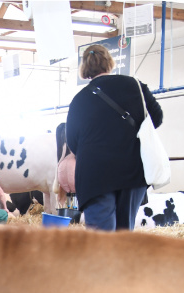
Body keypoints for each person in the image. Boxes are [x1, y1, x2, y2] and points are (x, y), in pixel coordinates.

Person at [65, 44, 163, 232]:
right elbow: (156, 119)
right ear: (109, 62)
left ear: (85, 68)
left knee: (101, 240)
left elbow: (73, 142)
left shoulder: (79, 100)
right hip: (131, 171)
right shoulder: (135, 85)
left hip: (95, 176)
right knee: (123, 236)